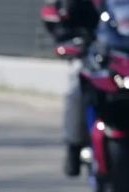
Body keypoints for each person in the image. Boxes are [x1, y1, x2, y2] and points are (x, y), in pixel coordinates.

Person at [41, 0, 100, 176]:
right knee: (76, 91)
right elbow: (54, 14)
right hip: (89, 52)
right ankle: (74, 147)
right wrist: (67, 36)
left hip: (121, 54)